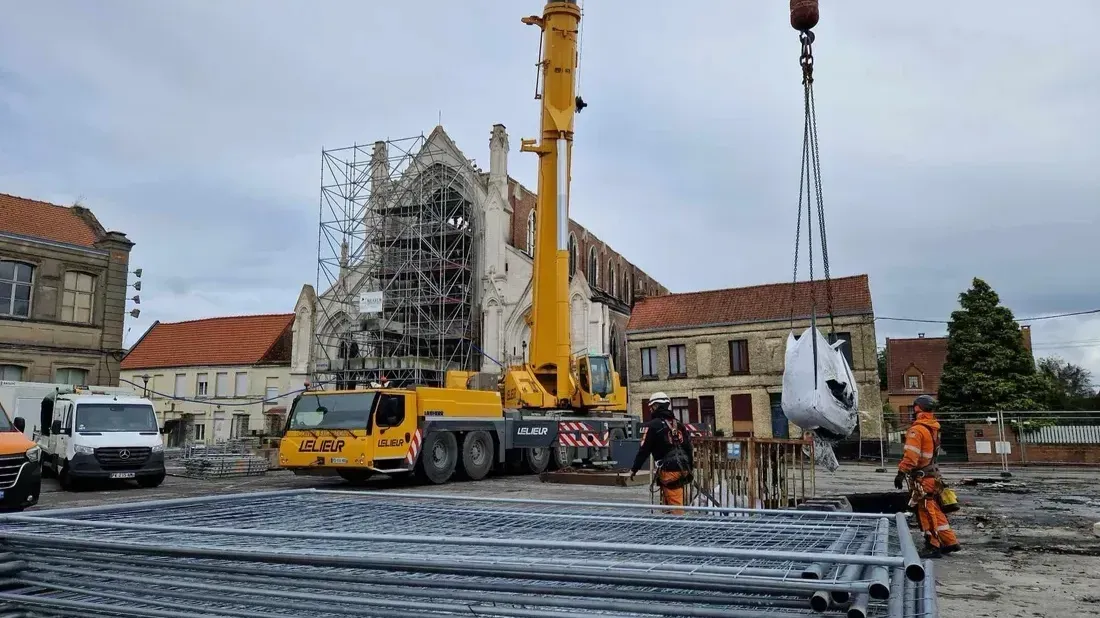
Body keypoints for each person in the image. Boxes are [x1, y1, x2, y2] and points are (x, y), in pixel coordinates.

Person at [894, 394, 961, 558]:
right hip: (932, 475)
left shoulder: (917, 430)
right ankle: (949, 541)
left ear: (918, 408)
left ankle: (933, 545)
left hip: (923, 477)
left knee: (926, 510)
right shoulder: (933, 428)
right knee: (935, 509)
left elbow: (911, 455)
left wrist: (901, 472)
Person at [629, 393, 694, 515]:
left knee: (675, 505)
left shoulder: (653, 425)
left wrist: (634, 469)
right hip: (683, 466)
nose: (650, 410)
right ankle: (668, 523)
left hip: (670, 469)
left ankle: (679, 524)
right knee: (669, 501)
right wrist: (690, 467)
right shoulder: (678, 424)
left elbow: (644, 450)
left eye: (651, 407)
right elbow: (688, 447)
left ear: (656, 406)